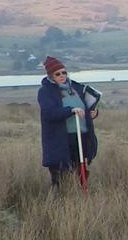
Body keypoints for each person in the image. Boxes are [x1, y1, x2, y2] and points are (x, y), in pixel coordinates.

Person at [37, 57, 101, 189]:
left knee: (81, 173)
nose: (62, 76)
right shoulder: (46, 92)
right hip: (60, 139)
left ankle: (81, 199)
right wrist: (70, 111)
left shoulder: (77, 88)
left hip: (81, 137)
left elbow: (84, 108)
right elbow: (49, 113)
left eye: (64, 72)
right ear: (50, 76)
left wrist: (92, 114)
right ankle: (60, 203)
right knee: (61, 177)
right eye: (58, 74)